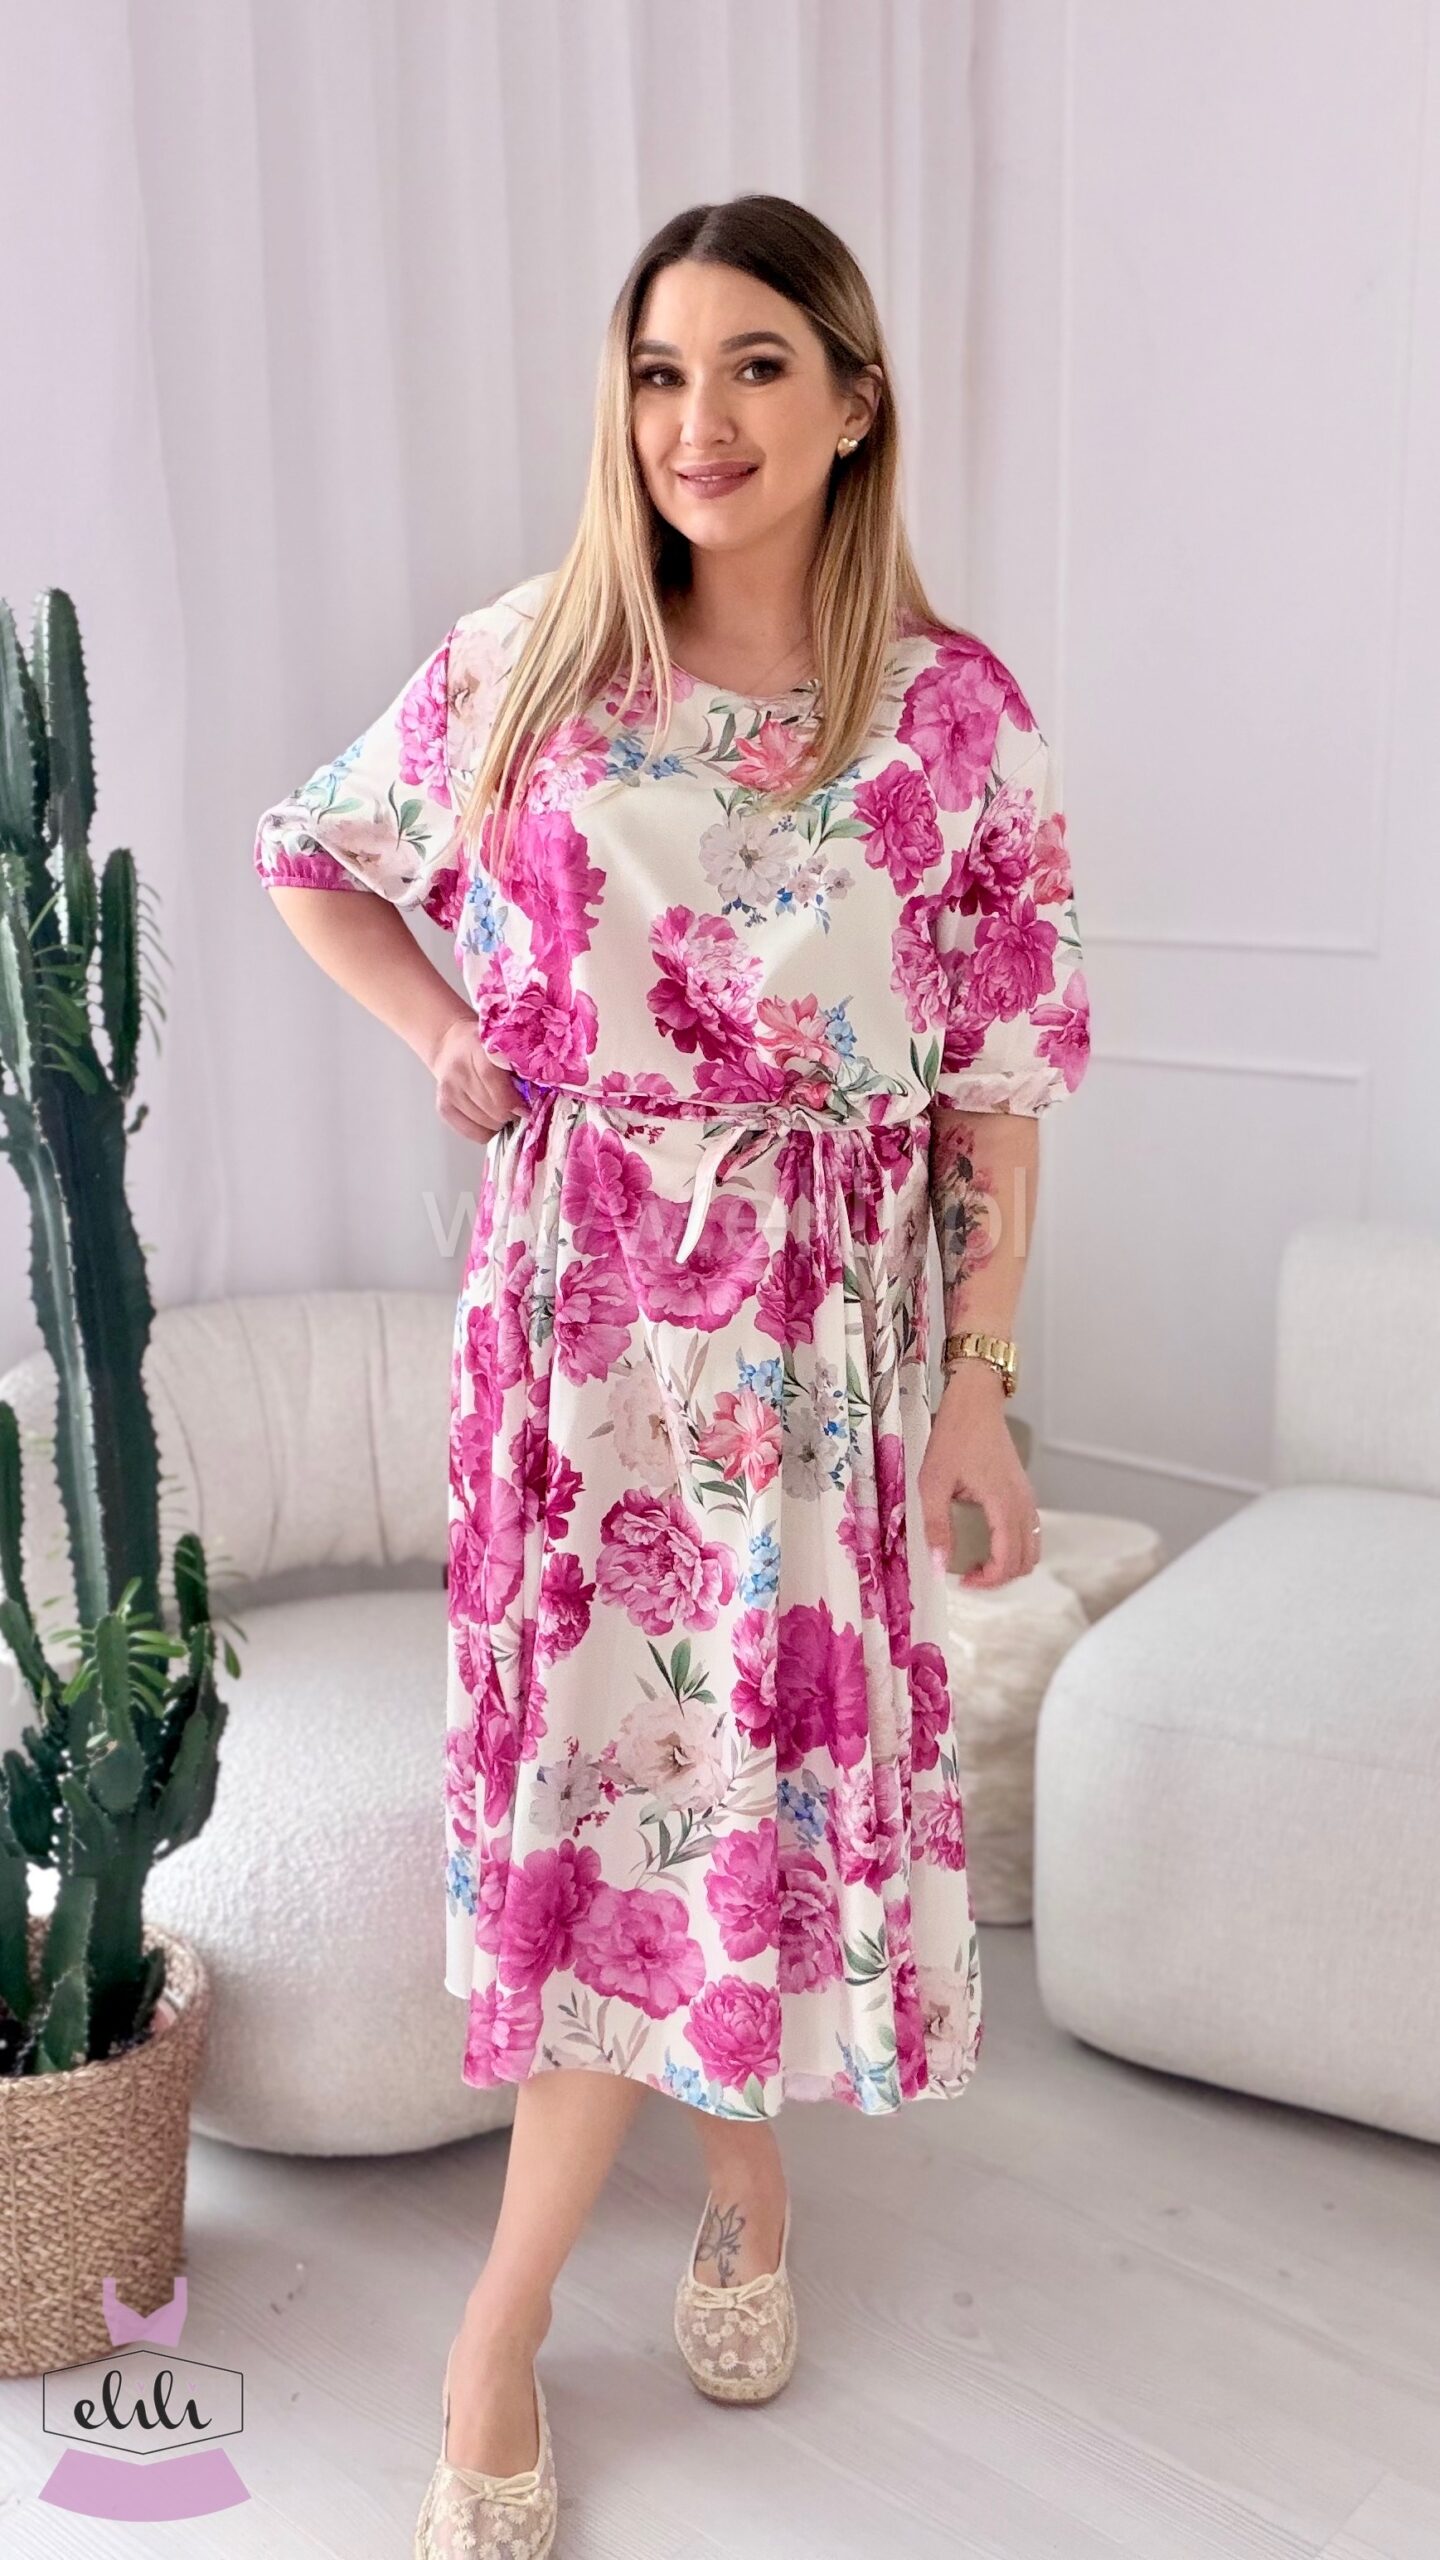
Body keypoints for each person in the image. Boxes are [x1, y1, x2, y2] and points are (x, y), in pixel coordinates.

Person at [254, 190, 1089, 2560]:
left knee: (727, 1791)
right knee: (615, 1803)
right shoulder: (530, 662)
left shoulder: (955, 720)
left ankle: (643, 2240)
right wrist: (443, 1033)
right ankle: (537, 2308)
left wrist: (976, 1382)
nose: (693, 420)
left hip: (813, 1349)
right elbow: (313, 852)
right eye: (654, 371)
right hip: (574, 1327)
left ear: (854, 402)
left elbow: (997, 1088)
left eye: (749, 365)